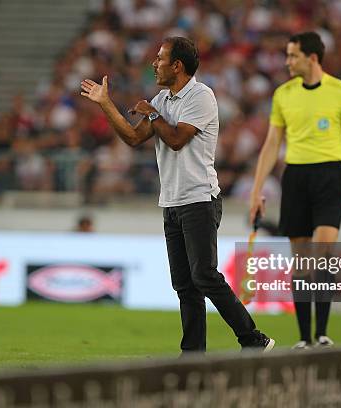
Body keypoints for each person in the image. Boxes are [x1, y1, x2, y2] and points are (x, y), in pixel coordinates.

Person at [81, 36, 274, 353]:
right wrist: (106, 104)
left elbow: (175, 139)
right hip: (171, 201)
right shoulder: (161, 100)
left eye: (160, 58)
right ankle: (193, 353)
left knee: (205, 276)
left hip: (199, 198)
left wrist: (153, 116)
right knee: (185, 285)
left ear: (177, 65)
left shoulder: (201, 96)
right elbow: (132, 137)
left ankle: (253, 338)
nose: (154, 64)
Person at [249, 32, 341, 349]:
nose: (287, 62)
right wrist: (256, 190)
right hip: (296, 178)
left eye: (293, 56)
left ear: (312, 58)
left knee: (323, 255)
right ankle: (305, 337)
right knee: (301, 262)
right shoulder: (283, 95)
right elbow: (272, 144)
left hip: (330, 174)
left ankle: (323, 333)